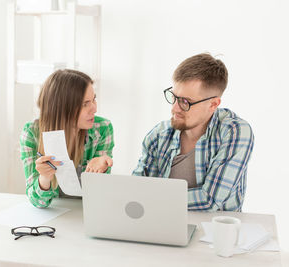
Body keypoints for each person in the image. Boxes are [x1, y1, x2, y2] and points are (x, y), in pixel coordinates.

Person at [132, 53, 254, 211]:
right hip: (162, 227)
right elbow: (136, 190)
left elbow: (209, 200)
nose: (174, 108)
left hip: (215, 232)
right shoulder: (159, 135)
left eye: (185, 102)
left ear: (213, 104)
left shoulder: (235, 132)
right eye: (174, 97)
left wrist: (153, 199)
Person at [20, 69, 114, 208]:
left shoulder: (102, 128)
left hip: (87, 211)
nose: (94, 108)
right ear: (61, 108)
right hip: (54, 213)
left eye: (93, 99)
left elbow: (99, 196)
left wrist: (101, 170)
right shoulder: (32, 133)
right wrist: (44, 178)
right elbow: (38, 203)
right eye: (84, 104)